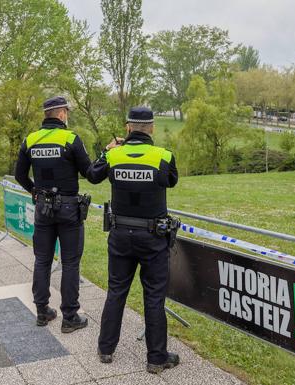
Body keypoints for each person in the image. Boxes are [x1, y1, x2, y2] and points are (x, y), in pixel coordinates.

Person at [86, 107, 180, 374]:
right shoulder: (163, 156)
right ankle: (156, 358)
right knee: (153, 296)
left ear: (128, 128)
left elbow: (93, 175)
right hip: (153, 237)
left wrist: (107, 151)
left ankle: (105, 349)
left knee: (116, 291)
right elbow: (171, 181)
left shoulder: (114, 156)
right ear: (151, 128)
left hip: (120, 235)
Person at [15, 96, 92, 333]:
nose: (67, 115)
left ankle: (42, 311)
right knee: (70, 262)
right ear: (60, 114)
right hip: (69, 208)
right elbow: (89, 173)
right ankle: (70, 316)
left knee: (42, 259)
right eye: (66, 112)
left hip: (43, 208)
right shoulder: (71, 139)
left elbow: (19, 175)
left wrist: (35, 191)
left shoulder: (30, 140)